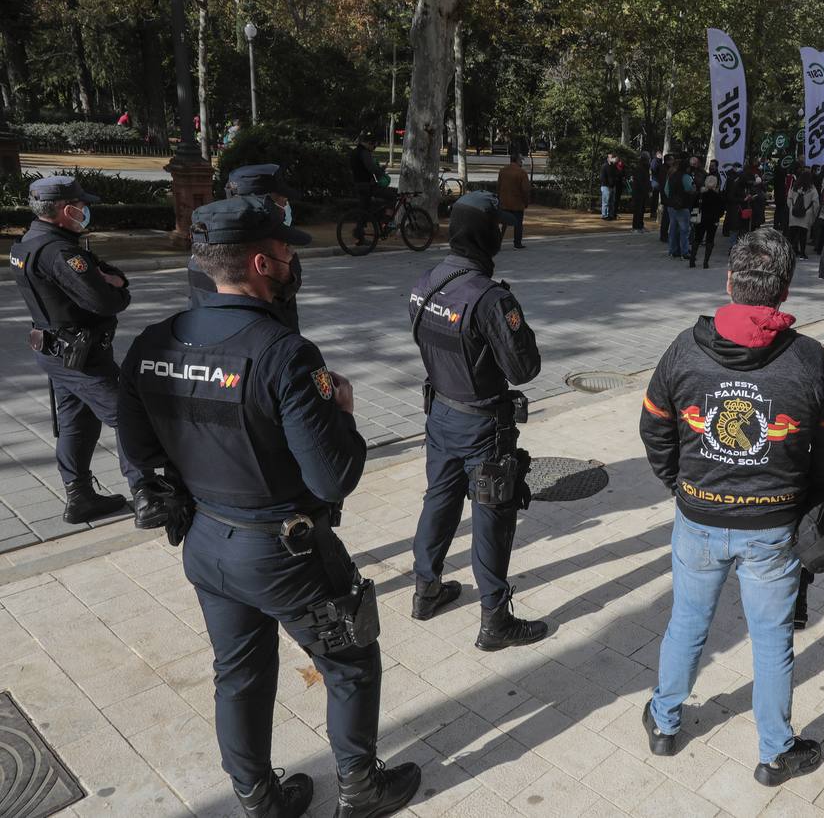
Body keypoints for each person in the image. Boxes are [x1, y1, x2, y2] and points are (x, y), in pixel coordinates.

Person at [116, 196, 419, 818]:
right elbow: (333, 479)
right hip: (286, 552)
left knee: (239, 673)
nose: (290, 263)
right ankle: (360, 788)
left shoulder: (148, 344)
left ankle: (258, 800)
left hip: (204, 543)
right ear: (260, 263)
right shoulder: (285, 353)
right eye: (285, 253)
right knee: (350, 663)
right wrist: (344, 416)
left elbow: (138, 455)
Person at [638, 228, 824, 786]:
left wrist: (679, 484)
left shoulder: (684, 349)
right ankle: (775, 751)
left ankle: (664, 721)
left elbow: (653, 428)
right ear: (784, 289)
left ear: (730, 281)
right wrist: (810, 500)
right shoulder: (811, 360)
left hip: (700, 518)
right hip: (774, 527)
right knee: (773, 638)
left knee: (687, 623)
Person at [407, 191, 548, 650]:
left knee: (439, 500)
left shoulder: (425, 282)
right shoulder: (490, 298)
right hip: (483, 427)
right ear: (487, 235)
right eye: (499, 227)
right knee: (492, 516)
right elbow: (524, 369)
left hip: (440, 414)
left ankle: (426, 590)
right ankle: (495, 619)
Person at [10, 176, 146, 524]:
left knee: (77, 424)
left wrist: (110, 277)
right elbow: (104, 301)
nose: (86, 210)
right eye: (82, 205)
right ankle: (148, 496)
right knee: (129, 417)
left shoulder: (30, 242)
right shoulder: (60, 252)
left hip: (56, 351)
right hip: (82, 358)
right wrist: (119, 289)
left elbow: (103, 270)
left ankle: (80, 497)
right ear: (66, 210)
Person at [189, 163, 303, 331]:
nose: (286, 207)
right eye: (283, 201)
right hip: (267, 346)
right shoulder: (274, 252)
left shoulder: (205, 243)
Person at [349, 131, 392, 214]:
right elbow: (372, 169)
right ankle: (387, 220)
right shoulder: (365, 152)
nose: (373, 149)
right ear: (369, 143)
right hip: (366, 185)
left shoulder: (355, 152)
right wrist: (381, 171)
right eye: (374, 146)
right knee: (392, 196)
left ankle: (361, 225)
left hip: (358, 183)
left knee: (364, 207)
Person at [496, 152, 531, 250]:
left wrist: (499, 199)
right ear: (517, 160)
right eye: (521, 160)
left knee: (503, 224)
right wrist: (526, 202)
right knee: (518, 224)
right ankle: (517, 243)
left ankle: (498, 242)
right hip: (517, 203)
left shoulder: (502, 171)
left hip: (504, 203)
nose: (522, 162)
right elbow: (526, 190)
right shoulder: (522, 173)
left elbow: (498, 187)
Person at [689, 170, 724, 269]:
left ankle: (692, 260)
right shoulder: (718, 196)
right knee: (710, 240)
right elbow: (722, 210)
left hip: (700, 219)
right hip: (713, 221)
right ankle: (705, 262)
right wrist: (717, 216)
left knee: (697, 238)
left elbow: (693, 206)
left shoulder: (700, 195)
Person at [664, 157, 696, 259]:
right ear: (687, 168)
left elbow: (666, 190)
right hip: (682, 206)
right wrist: (694, 190)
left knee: (673, 229)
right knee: (684, 230)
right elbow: (690, 189)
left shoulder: (671, 176)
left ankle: (673, 250)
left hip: (671, 206)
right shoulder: (686, 177)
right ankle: (684, 251)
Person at [785, 169, 820, 260]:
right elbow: (816, 203)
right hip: (806, 214)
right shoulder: (812, 188)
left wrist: (791, 208)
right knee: (803, 235)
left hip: (793, 214)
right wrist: (815, 214)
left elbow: (789, 198)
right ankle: (803, 253)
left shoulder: (795, 186)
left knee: (792, 234)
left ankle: (790, 252)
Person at [632, 150, 651, 232]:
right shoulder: (639, 168)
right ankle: (636, 226)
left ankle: (640, 225)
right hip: (638, 192)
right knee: (638, 210)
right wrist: (646, 189)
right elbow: (640, 181)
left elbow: (647, 180)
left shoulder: (645, 167)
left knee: (641, 209)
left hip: (643, 192)